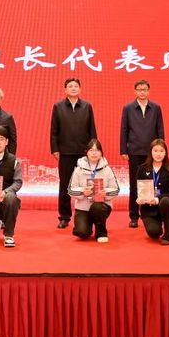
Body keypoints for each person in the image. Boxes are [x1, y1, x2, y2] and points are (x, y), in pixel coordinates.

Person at [50, 78, 97, 229]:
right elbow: (54, 130)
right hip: (65, 152)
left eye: (76, 86)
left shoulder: (87, 106)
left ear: (80, 89)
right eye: (70, 86)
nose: (73, 88)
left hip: (84, 153)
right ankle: (64, 217)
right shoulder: (58, 106)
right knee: (65, 185)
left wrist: (93, 149)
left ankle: (88, 212)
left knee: (87, 183)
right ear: (65, 90)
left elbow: (92, 129)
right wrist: (55, 149)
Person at [120, 79, 165, 228]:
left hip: (152, 153)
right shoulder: (128, 108)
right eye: (139, 89)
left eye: (144, 89)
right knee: (134, 184)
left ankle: (151, 213)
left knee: (153, 183)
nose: (142, 92)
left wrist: (161, 149)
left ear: (148, 91)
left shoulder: (156, 108)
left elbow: (160, 129)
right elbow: (124, 130)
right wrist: (124, 150)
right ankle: (134, 216)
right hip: (134, 151)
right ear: (135, 91)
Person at [68, 139, 120, 243]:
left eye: (97, 150)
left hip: (101, 206)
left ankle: (101, 233)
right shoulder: (78, 169)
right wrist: (83, 191)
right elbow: (70, 190)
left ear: (101, 153)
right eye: (91, 150)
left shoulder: (107, 169)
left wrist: (105, 193)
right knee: (81, 233)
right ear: (86, 152)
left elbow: (116, 189)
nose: (94, 153)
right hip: (83, 207)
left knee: (98, 206)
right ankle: (88, 223)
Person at [136, 139, 169, 245]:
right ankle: (156, 225)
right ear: (151, 152)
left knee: (166, 201)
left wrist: (157, 199)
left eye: (161, 151)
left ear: (165, 153)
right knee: (154, 233)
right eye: (155, 150)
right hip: (148, 208)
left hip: (165, 206)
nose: (158, 154)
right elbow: (138, 190)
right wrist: (140, 198)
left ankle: (168, 235)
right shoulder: (142, 169)